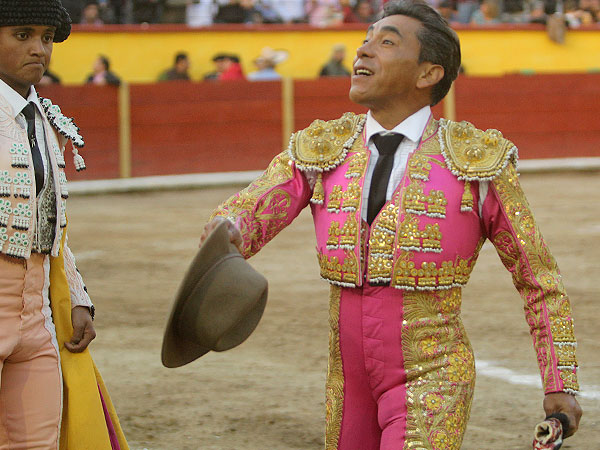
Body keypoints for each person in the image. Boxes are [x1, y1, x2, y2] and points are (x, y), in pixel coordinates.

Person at [200, 1, 582, 448]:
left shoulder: (477, 162)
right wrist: (227, 227)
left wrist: (560, 379)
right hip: (346, 381)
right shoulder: (323, 147)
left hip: (433, 374)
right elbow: (252, 209)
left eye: (385, 43)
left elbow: (538, 277)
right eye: (366, 41)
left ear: (427, 74)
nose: (363, 52)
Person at [0, 1, 128, 448]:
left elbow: (52, 221)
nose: (39, 49)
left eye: (47, 38)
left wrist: (77, 296)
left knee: (39, 442)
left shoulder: (44, 119)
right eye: (22, 35)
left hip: (34, 307)